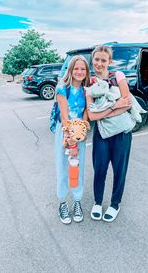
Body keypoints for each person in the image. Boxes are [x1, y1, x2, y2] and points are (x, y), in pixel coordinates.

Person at [86, 45, 132, 222]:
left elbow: (126, 103)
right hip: (102, 133)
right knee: (100, 169)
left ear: (109, 62)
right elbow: (91, 114)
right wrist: (114, 106)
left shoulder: (118, 76)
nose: (99, 63)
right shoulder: (89, 82)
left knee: (120, 170)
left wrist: (103, 113)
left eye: (103, 60)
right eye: (96, 59)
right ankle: (98, 202)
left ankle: (115, 204)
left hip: (122, 132)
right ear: (93, 60)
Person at [55, 55, 90, 224]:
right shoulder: (62, 88)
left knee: (77, 169)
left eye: (83, 69)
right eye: (76, 68)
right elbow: (63, 115)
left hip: (79, 134)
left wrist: (80, 132)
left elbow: (85, 114)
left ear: (86, 71)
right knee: (63, 168)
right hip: (65, 132)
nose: (79, 71)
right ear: (70, 70)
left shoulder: (86, 90)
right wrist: (70, 139)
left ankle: (77, 201)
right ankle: (62, 203)